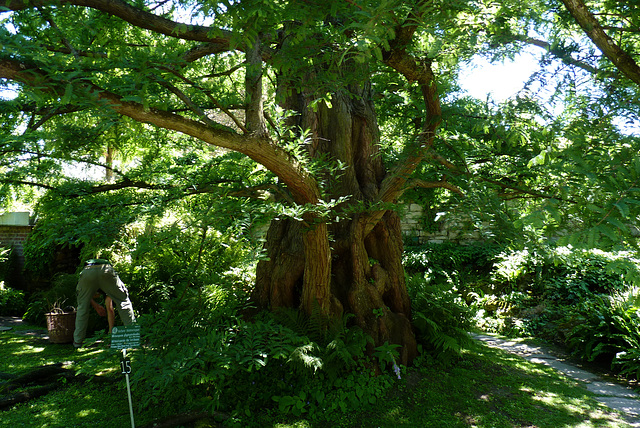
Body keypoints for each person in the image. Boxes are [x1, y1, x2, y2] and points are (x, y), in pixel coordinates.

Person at [73, 258, 135, 348]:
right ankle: (133, 336)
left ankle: (78, 341)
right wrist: (96, 306)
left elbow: (108, 307)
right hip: (106, 270)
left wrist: (111, 333)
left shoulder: (91, 286)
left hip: (88, 271)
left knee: (82, 307)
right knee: (123, 302)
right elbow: (110, 309)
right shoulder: (109, 286)